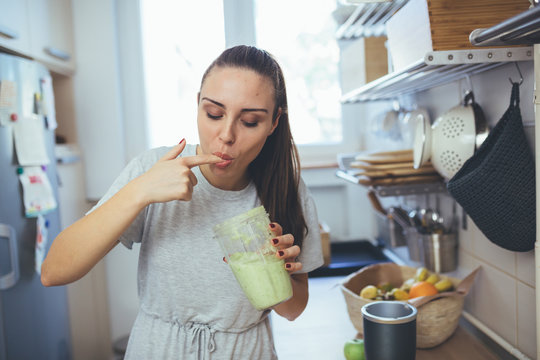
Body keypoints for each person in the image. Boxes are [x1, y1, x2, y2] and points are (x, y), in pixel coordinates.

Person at [41, 45, 323, 359]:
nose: (226, 135)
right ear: (198, 104)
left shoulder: (287, 187)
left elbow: (294, 309)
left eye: (250, 121)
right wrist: (141, 190)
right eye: (214, 113)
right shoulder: (154, 168)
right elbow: (54, 271)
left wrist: (272, 276)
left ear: (273, 123)